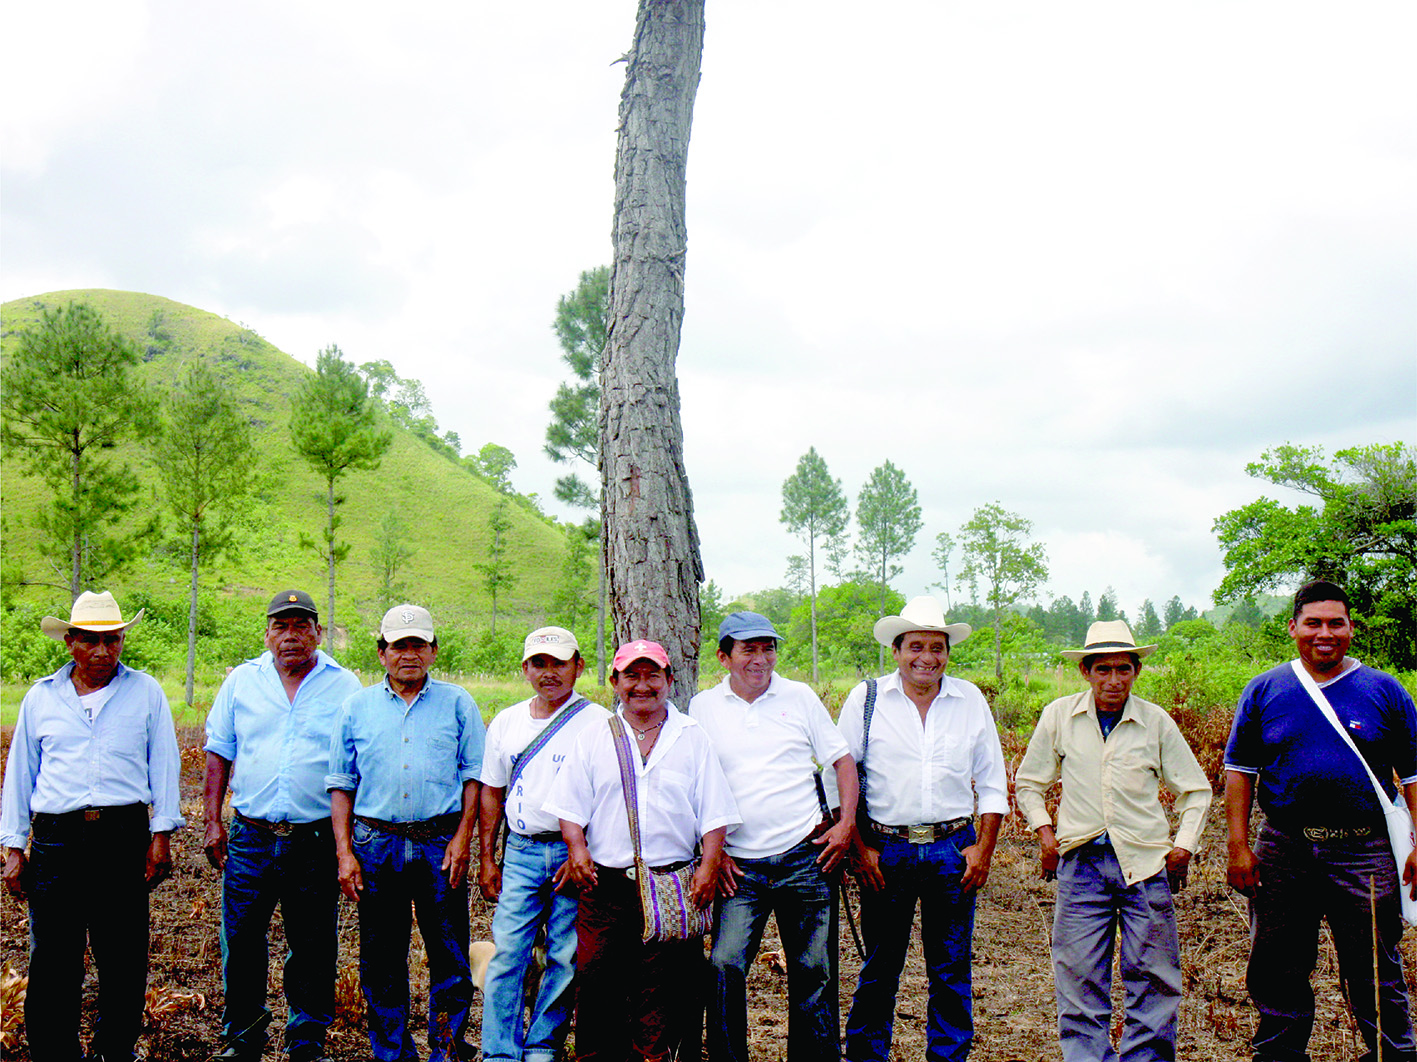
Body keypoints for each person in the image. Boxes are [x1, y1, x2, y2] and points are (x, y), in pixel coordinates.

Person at [1225, 580, 1417, 1062]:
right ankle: (1279, 1055)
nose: (1324, 634)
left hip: (1365, 851)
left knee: (1375, 967)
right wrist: (1238, 846)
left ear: (1351, 629)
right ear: (1293, 628)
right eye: (1313, 623)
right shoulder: (1265, 689)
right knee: (1277, 965)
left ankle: (1393, 1054)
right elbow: (1239, 772)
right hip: (1284, 849)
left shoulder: (1385, 690)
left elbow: (1414, 775)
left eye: (1336, 623)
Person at [0, 590, 184, 1062]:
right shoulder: (41, 698)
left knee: (122, 955)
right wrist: (14, 847)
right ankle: (54, 1052)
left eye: (112, 640)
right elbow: (20, 774)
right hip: (57, 838)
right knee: (53, 956)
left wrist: (161, 835)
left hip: (122, 836)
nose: (103, 651)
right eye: (91, 640)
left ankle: (113, 1050)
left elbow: (165, 766)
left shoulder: (145, 692)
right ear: (70, 642)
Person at [1016, 620, 1212, 1062]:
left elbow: (1196, 791)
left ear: (1136, 671)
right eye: (1102, 669)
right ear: (1085, 671)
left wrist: (1183, 847)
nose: (1113, 680)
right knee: (1079, 977)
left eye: (1123, 669)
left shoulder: (1154, 722)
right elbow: (1029, 783)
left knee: (1154, 979)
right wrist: (1045, 834)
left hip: (1145, 865)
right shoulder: (1060, 716)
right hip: (1081, 865)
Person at [544, 639, 740, 1062]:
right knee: (598, 985)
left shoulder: (691, 737)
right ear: (615, 682)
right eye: (632, 675)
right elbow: (569, 807)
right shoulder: (595, 736)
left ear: (669, 680)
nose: (643, 685)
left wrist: (709, 866)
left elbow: (714, 812)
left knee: (668, 990)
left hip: (673, 886)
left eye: (653, 675)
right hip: (606, 888)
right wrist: (577, 849)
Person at [837, 595, 1008, 1062]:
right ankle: (866, 1057)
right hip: (885, 850)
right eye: (916, 646)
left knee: (951, 967)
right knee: (880, 965)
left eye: (937, 647)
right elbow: (841, 776)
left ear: (947, 652)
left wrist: (983, 850)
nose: (927, 658)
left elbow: (993, 781)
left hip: (953, 849)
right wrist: (858, 850)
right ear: (896, 650)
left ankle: (948, 1058)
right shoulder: (867, 699)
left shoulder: (969, 700)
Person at [689, 611, 858, 1062]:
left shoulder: (799, 697)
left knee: (814, 971)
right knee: (725, 964)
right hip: (739, 867)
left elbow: (842, 761)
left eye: (768, 648)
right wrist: (714, 852)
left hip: (805, 858)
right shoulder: (703, 707)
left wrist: (844, 826)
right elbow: (694, 782)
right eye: (749, 649)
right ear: (724, 657)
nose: (761, 659)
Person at [203, 589, 363, 1062]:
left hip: (314, 837)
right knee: (241, 940)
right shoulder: (242, 682)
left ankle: (306, 1042)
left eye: (301, 626)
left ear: (318, 632)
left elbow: (356, 763)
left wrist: (346, 843)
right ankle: (243, 1039)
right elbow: (218, 752)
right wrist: (212, 822)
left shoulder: (345, 686)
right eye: (281, 626)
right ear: (267, 634)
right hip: (251, 835)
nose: (291, 636)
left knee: (312, 944)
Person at [328, 604, 486, 1062]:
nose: (409, 655)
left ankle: (446, 1049)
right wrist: (345, 853)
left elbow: (474, 777)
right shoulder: (356, 708)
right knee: (382, 956)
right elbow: (341, 784)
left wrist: (463, 839)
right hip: (376, 844)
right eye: (399, 646)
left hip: (440, 843)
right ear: (382, 653)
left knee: (450, 953)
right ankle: (392, 1052)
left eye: (419, 645)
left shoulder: (458, 703)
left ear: (434, 651)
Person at [477, 627, 611, 1062]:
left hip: (575, 856)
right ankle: (500, 1051)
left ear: (579, 666)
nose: (549, 673)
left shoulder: (599, 722)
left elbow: (608, 794)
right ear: (525, 669)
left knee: (564, 955)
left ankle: (542, 1046)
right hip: (521, 851)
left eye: (559, 663)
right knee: (508, 953)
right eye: (539, 663)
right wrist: (488, 858)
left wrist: (584, 852)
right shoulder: (507, 721)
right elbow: (492, 792)